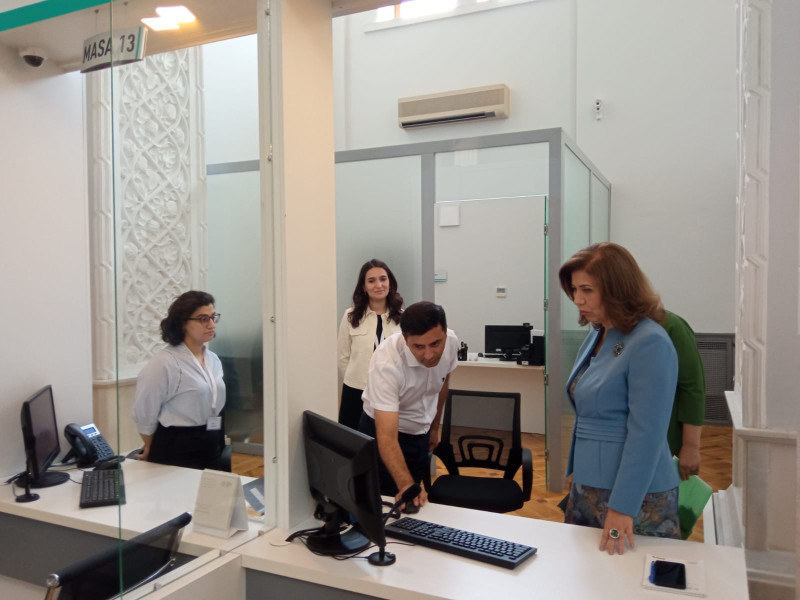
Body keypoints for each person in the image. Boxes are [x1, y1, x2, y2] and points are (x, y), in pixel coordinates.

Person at [559, 242, 680, 555]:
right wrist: (575, 468)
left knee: (629, 574)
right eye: (575, 289)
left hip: (634, 494)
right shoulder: (598, 334)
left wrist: (623, 506)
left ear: (617, 289)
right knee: (587, 573)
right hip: (590, 484)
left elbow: (647, 434)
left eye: (587, 290)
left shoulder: (650, 341)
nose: (577, 299)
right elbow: (586, 413)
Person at [358, 301, 458, 509]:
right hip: (383, 434)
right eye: (418, 347)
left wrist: (434, 428)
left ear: (445, 332)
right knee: (384, 503)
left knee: (412, 504)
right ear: (405, 339)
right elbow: (386, 437)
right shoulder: (387, 362)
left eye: (435, 344)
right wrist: (405, 485)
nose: (428, 355)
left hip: (420, 432)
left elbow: (442, 383)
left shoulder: (451, 342)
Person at [132, 290, 226, 470]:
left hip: (212, 439)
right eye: (203, 319)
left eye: (213, 317)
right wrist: (150, 445)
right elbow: (145, 411)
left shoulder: (213, 359)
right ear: (183, 323)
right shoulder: (164, 363)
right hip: (177, 446)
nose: (211, 324)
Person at [337, 259, 403, 430]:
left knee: (386, 437)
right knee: (352, 439)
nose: (378, 285)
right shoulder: (350, 316)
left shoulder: (403, 318)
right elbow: (343, 357)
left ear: (390, 282)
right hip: (355, 391)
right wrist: (355, 381)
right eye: (371, 281)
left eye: (383, 279)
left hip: (390, 391)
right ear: (364, 287)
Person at [663, 310, 706, 480]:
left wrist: (691, 446)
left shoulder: (671, 325)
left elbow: (692, 387)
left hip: (666, 440)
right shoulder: (602, 330)